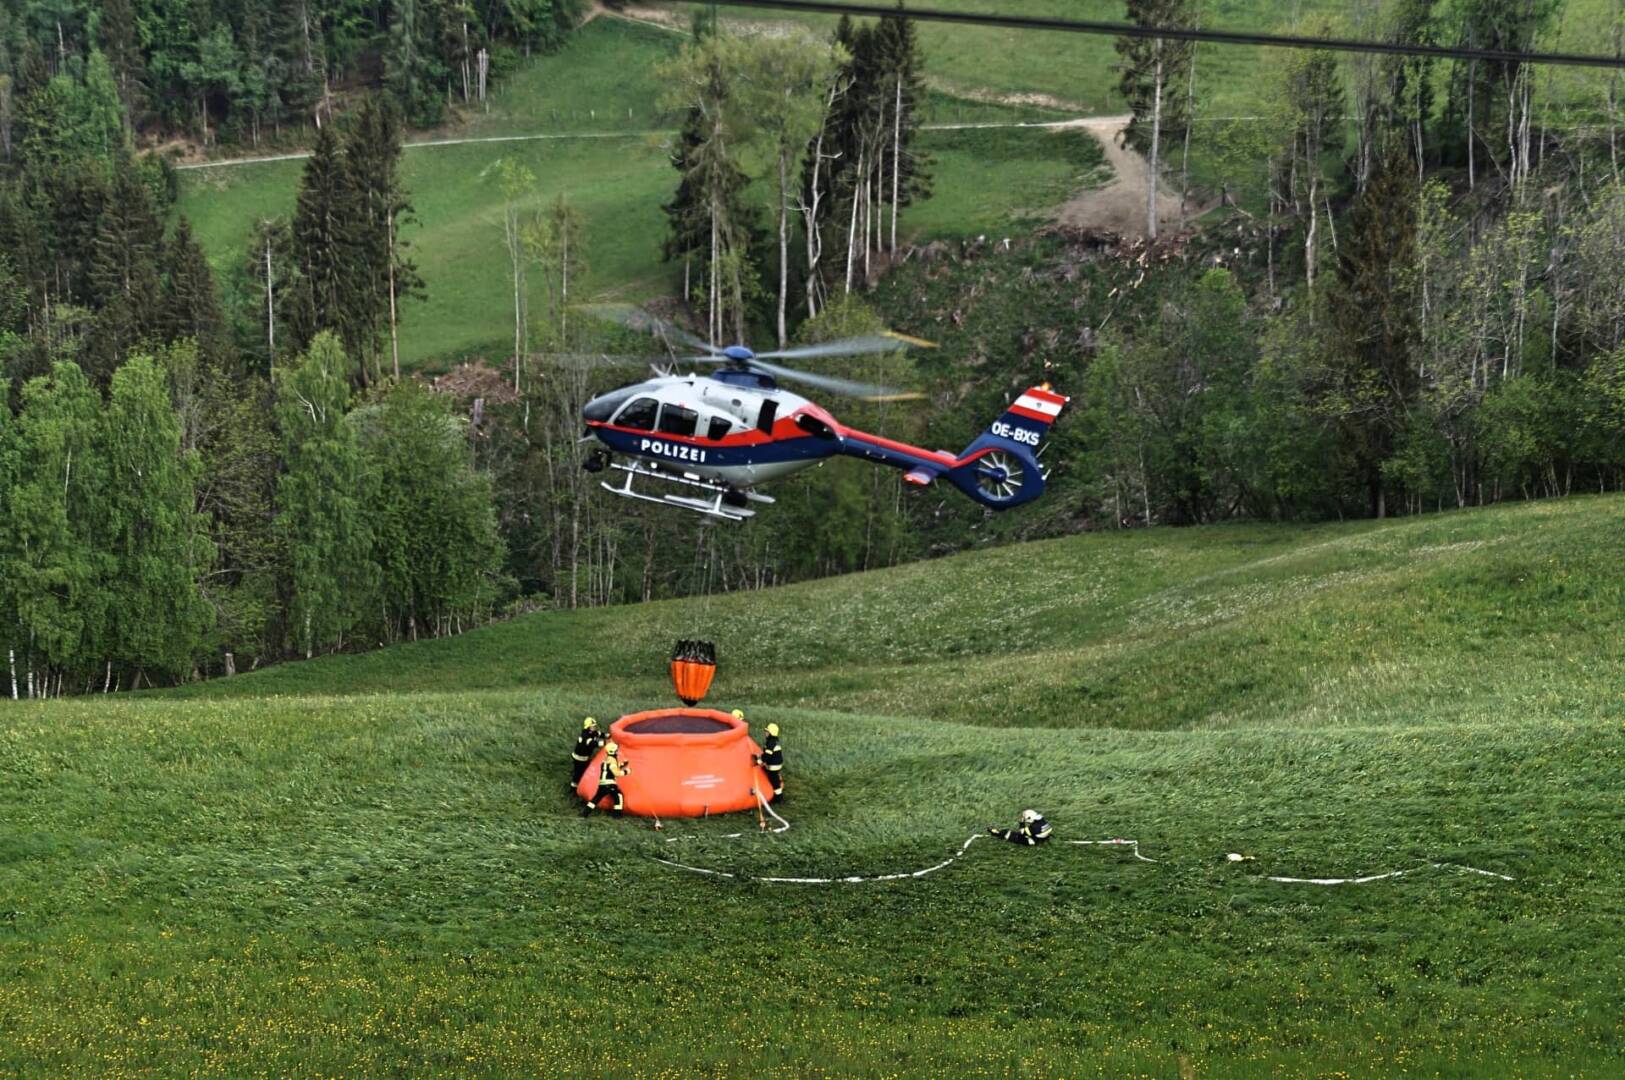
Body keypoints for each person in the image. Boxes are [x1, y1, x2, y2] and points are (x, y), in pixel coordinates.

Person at [582, 740, 631, 817]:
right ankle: (617, 815)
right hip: (609, 784)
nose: (617, 751)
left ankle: (584, 813)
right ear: (613, 751)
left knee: (596, 798)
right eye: (616, 750)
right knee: (618, 796)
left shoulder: (606, 759)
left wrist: (622, 765)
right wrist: (626, 771)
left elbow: (610, 768)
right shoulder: (612, 760)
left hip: (602, 783)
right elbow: (616, 773)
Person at [569, 717, 604, 792]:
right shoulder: (586, 737)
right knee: (578, 773)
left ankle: (579, 777)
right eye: (592, 726)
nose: (594, 727)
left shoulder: (592, 732)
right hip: (580, 758)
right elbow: (595, 743)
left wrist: (607, 736)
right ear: (588, 727)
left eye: (595, 726)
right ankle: (573, 788)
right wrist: (604, 743)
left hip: (583, 757)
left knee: (583, 769)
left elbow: (599, 734)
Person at [753, 721, 784, 800]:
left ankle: (778, 797)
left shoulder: (770, 743)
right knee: (770, 773)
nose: (765, 733)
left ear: (771, 733)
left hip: (774, 766)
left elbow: (767, 756)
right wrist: (758, 757)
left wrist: (758, 762)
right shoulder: (772, 742)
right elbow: (766, 754)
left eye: (767, 732)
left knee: (774, 780)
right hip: (775, 763)